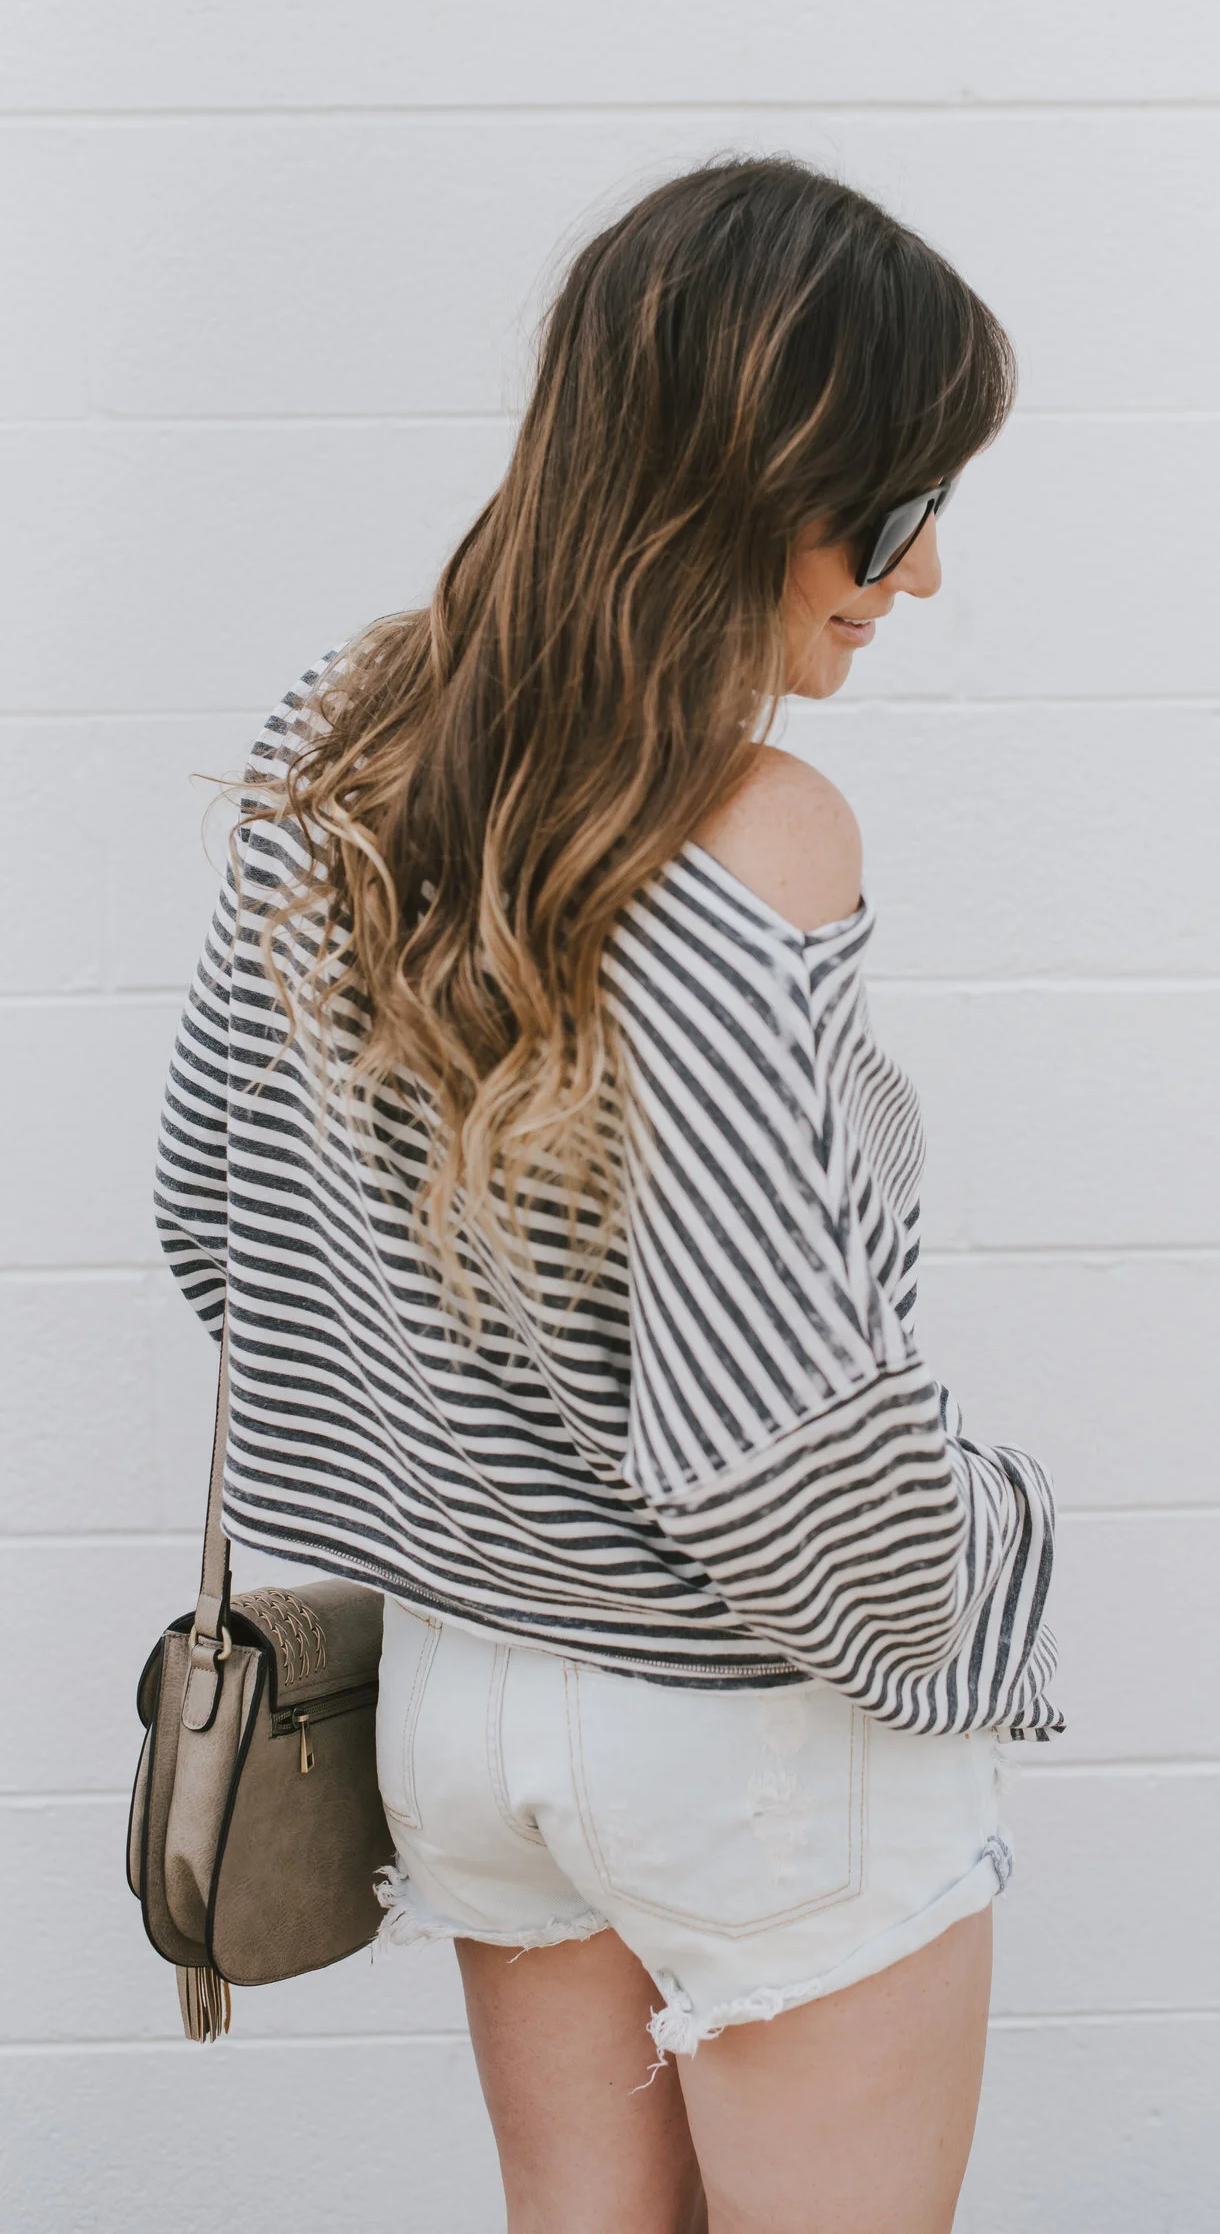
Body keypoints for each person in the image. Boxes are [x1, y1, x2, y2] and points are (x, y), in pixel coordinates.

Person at [155, 156, 1062, 2234]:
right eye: (899, 511)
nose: (915, 581)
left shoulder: (340, 741)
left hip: (464, 1714)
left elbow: (218, 1216)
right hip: (749, 1739)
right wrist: (994, 1561)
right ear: (749, 482)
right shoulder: (756, 836)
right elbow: (768, 1446)